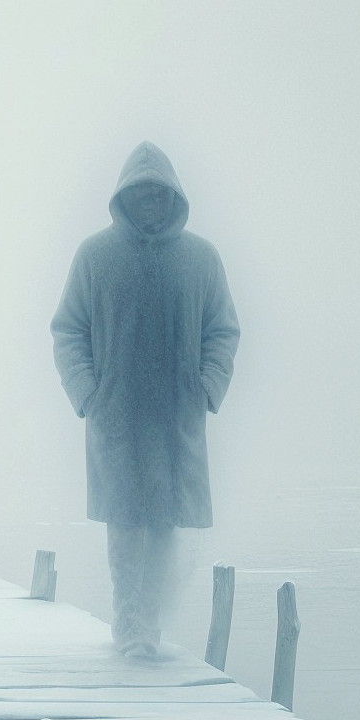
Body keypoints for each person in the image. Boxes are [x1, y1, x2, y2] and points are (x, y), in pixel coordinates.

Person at [51, 143, 239, 658]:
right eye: (143, 195)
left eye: (160, 195)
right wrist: (86, 390)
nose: (152, 203)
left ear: (174, 196)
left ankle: (148, 627)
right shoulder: (96, 256)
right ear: (126, 197)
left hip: (174, 416)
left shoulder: (200, 258)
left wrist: (208, 385)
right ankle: (130, 628)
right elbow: (68, 329)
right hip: (117, 415)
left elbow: (223, 329)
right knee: (123, 523)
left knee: (163, 524)